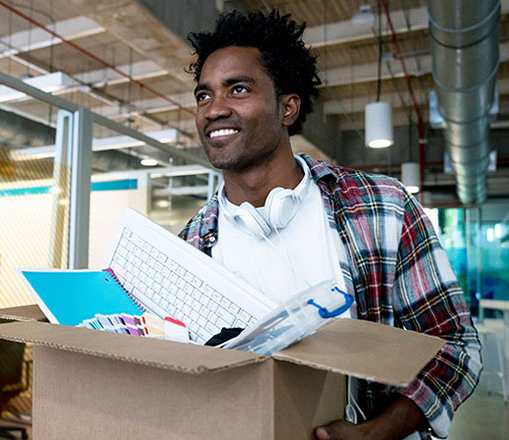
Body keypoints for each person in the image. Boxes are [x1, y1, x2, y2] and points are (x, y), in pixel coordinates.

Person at [178, 10, 481, 440]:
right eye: (203, 95)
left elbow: (454, 347)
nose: (215, 109)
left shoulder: (382, 209)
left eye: (238, 89)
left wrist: (373, 434)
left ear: (288, 107)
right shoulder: (190, 245)